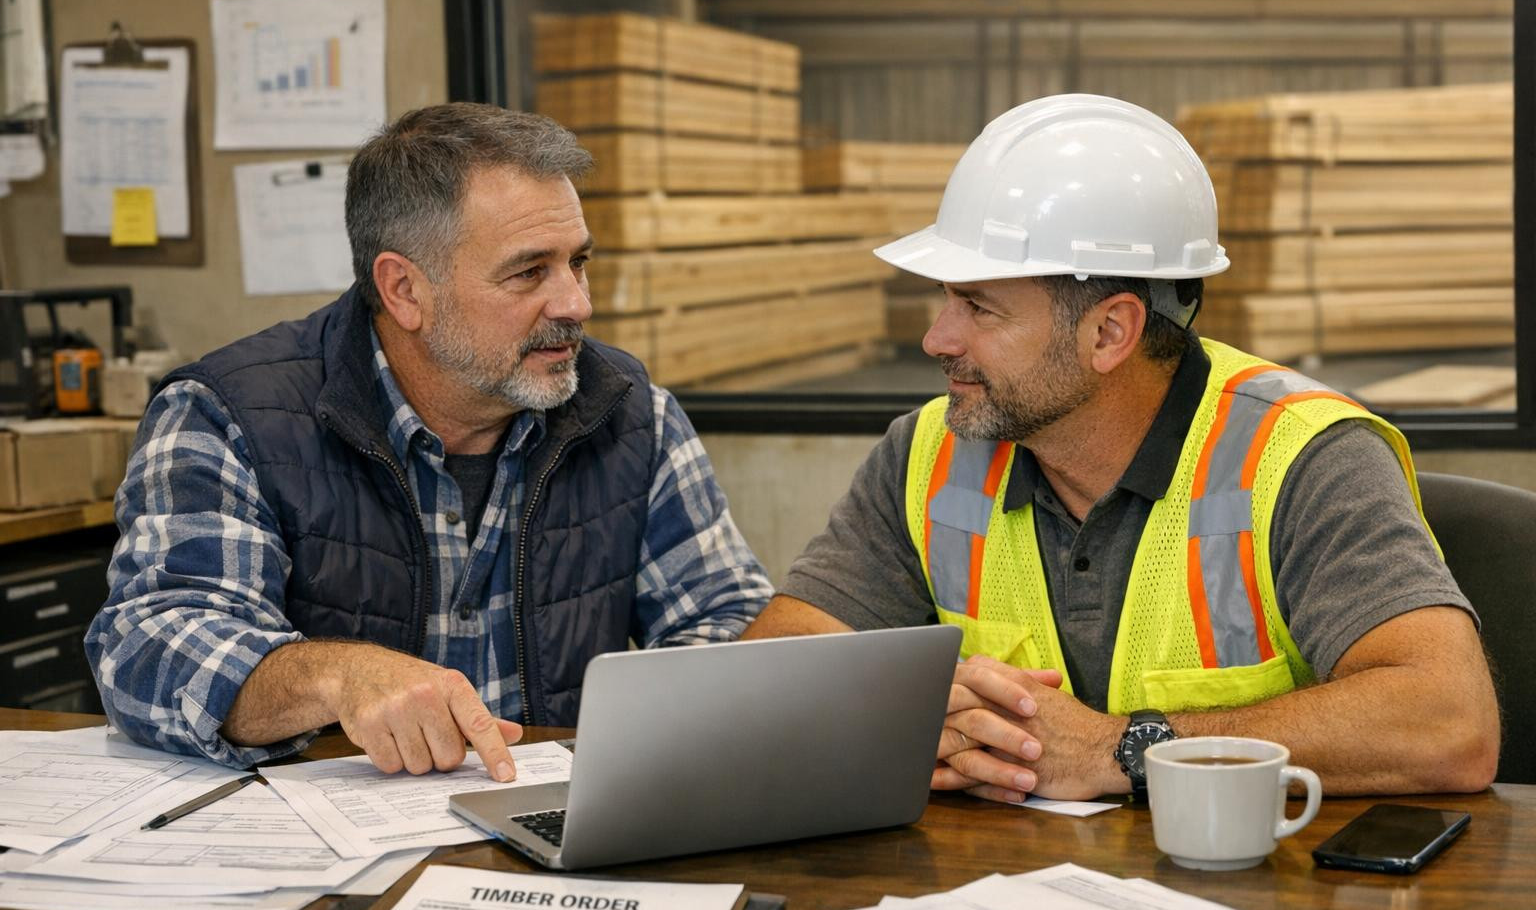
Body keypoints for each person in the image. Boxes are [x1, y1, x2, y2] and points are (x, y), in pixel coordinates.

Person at [743, 94, 1499, 802]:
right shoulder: (928, 456)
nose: (937, 339)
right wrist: (906, 712)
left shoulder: (1300, 458)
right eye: (946, 300)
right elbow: (763, 678)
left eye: (979, 307)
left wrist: (1120, 749)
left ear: (1109, 332)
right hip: (1005, 881)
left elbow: (1448, 723)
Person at [87, 104, 772, 780]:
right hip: (319, 833)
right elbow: (148, 648)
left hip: (562, 818)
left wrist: (657, 730)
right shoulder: (228, 416)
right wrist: (336, 677)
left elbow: (726, 620)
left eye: (578, 262)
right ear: (405, 289)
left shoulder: (628, 411)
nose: (576, 304)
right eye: (529, 272)